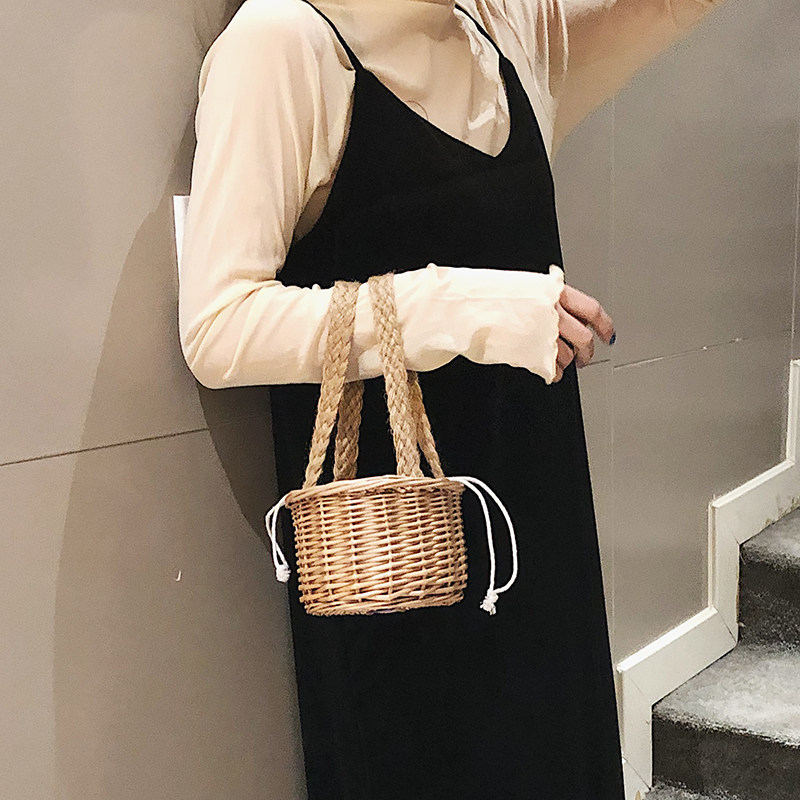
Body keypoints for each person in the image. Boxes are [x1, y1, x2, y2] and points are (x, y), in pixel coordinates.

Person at [178, 1, 726, 797]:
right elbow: (218, 327)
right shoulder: (282, 42)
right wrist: (456, 309)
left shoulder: (493, 27)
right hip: (397, 566)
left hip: (536, 532)